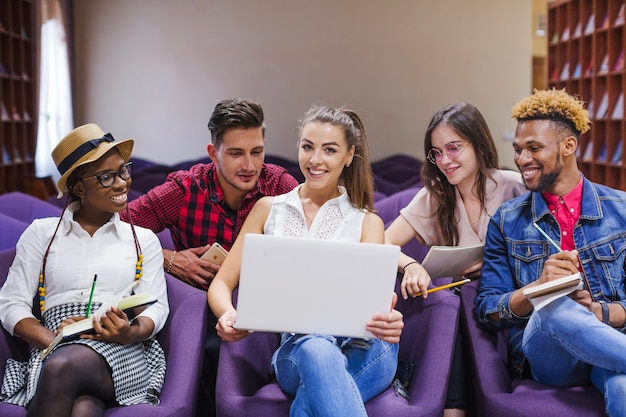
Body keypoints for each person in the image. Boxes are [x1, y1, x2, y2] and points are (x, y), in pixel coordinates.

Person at [208, 105, 404, 416]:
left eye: (330, 150)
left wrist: (389, 319)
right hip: (295, 352)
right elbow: (222, 283)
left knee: (310, 395)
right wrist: (228, 313)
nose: (315, 160)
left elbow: (375, 308)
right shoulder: (268, 209)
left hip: (365, 350)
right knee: (315, 348)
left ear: (349, 155)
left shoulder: (368, 222)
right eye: (307, 147)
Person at [121, 98, 298, 417]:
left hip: (265, 312)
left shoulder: (280, 186)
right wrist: (169, 258)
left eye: (256, 152)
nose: (249, 165)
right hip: (201, 314)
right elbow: (113, 228)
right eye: (235, 153)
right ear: (212, 152)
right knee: (209, 352)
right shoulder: (184, 189)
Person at [475, 88, 626, 417]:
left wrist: (599, 313)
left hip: (612, 341)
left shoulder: (622, 210)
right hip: (550, 357)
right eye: (517, 150)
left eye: (534, 148)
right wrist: (536, 290)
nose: (522, 160)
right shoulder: (508, 220)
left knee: (622, 388)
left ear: (568, 146)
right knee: (552, 307)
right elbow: (487, 310)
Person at [0, 123, 169, 416]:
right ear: (78, 187)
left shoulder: (143, 239)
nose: (121, 183)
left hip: (119, 346)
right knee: (83, 408)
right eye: (106, 177)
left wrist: (129, 332)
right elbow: (10, 304)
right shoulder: (41, 233)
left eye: (123, 170)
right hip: (52, 342)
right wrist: (50, 338)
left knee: (62, 369)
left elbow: (157, 307)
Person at [384, 101, 525, 416]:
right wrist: (411, 265)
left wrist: (494, 263)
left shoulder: (512, 185)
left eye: (453, 148)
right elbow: (381, 242)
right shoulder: (436, 194)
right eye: (436, 152)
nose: (444, 160)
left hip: (507, 302)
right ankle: (453, 409)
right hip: (458, 303)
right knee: (452, 303)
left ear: (477, 143)